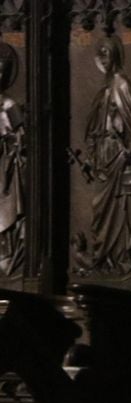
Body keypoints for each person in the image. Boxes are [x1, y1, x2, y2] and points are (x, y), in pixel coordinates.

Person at [73, 35, 131, 275]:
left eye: (107, 52)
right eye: (99, 53)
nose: (103, 57)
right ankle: (102, 258)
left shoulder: (121, 84)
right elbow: (95, 127)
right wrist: (92, 156)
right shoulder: (104, 89)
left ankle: (119, 258)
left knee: (119, 209)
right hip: (103, 159)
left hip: (119, 158)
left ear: (116, 56)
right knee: (99, 210)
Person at [0, 42, 25, 278]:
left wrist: (10, 142)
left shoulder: (9, 105)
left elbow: (21, 138)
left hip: (4, 167)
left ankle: (6, 255)